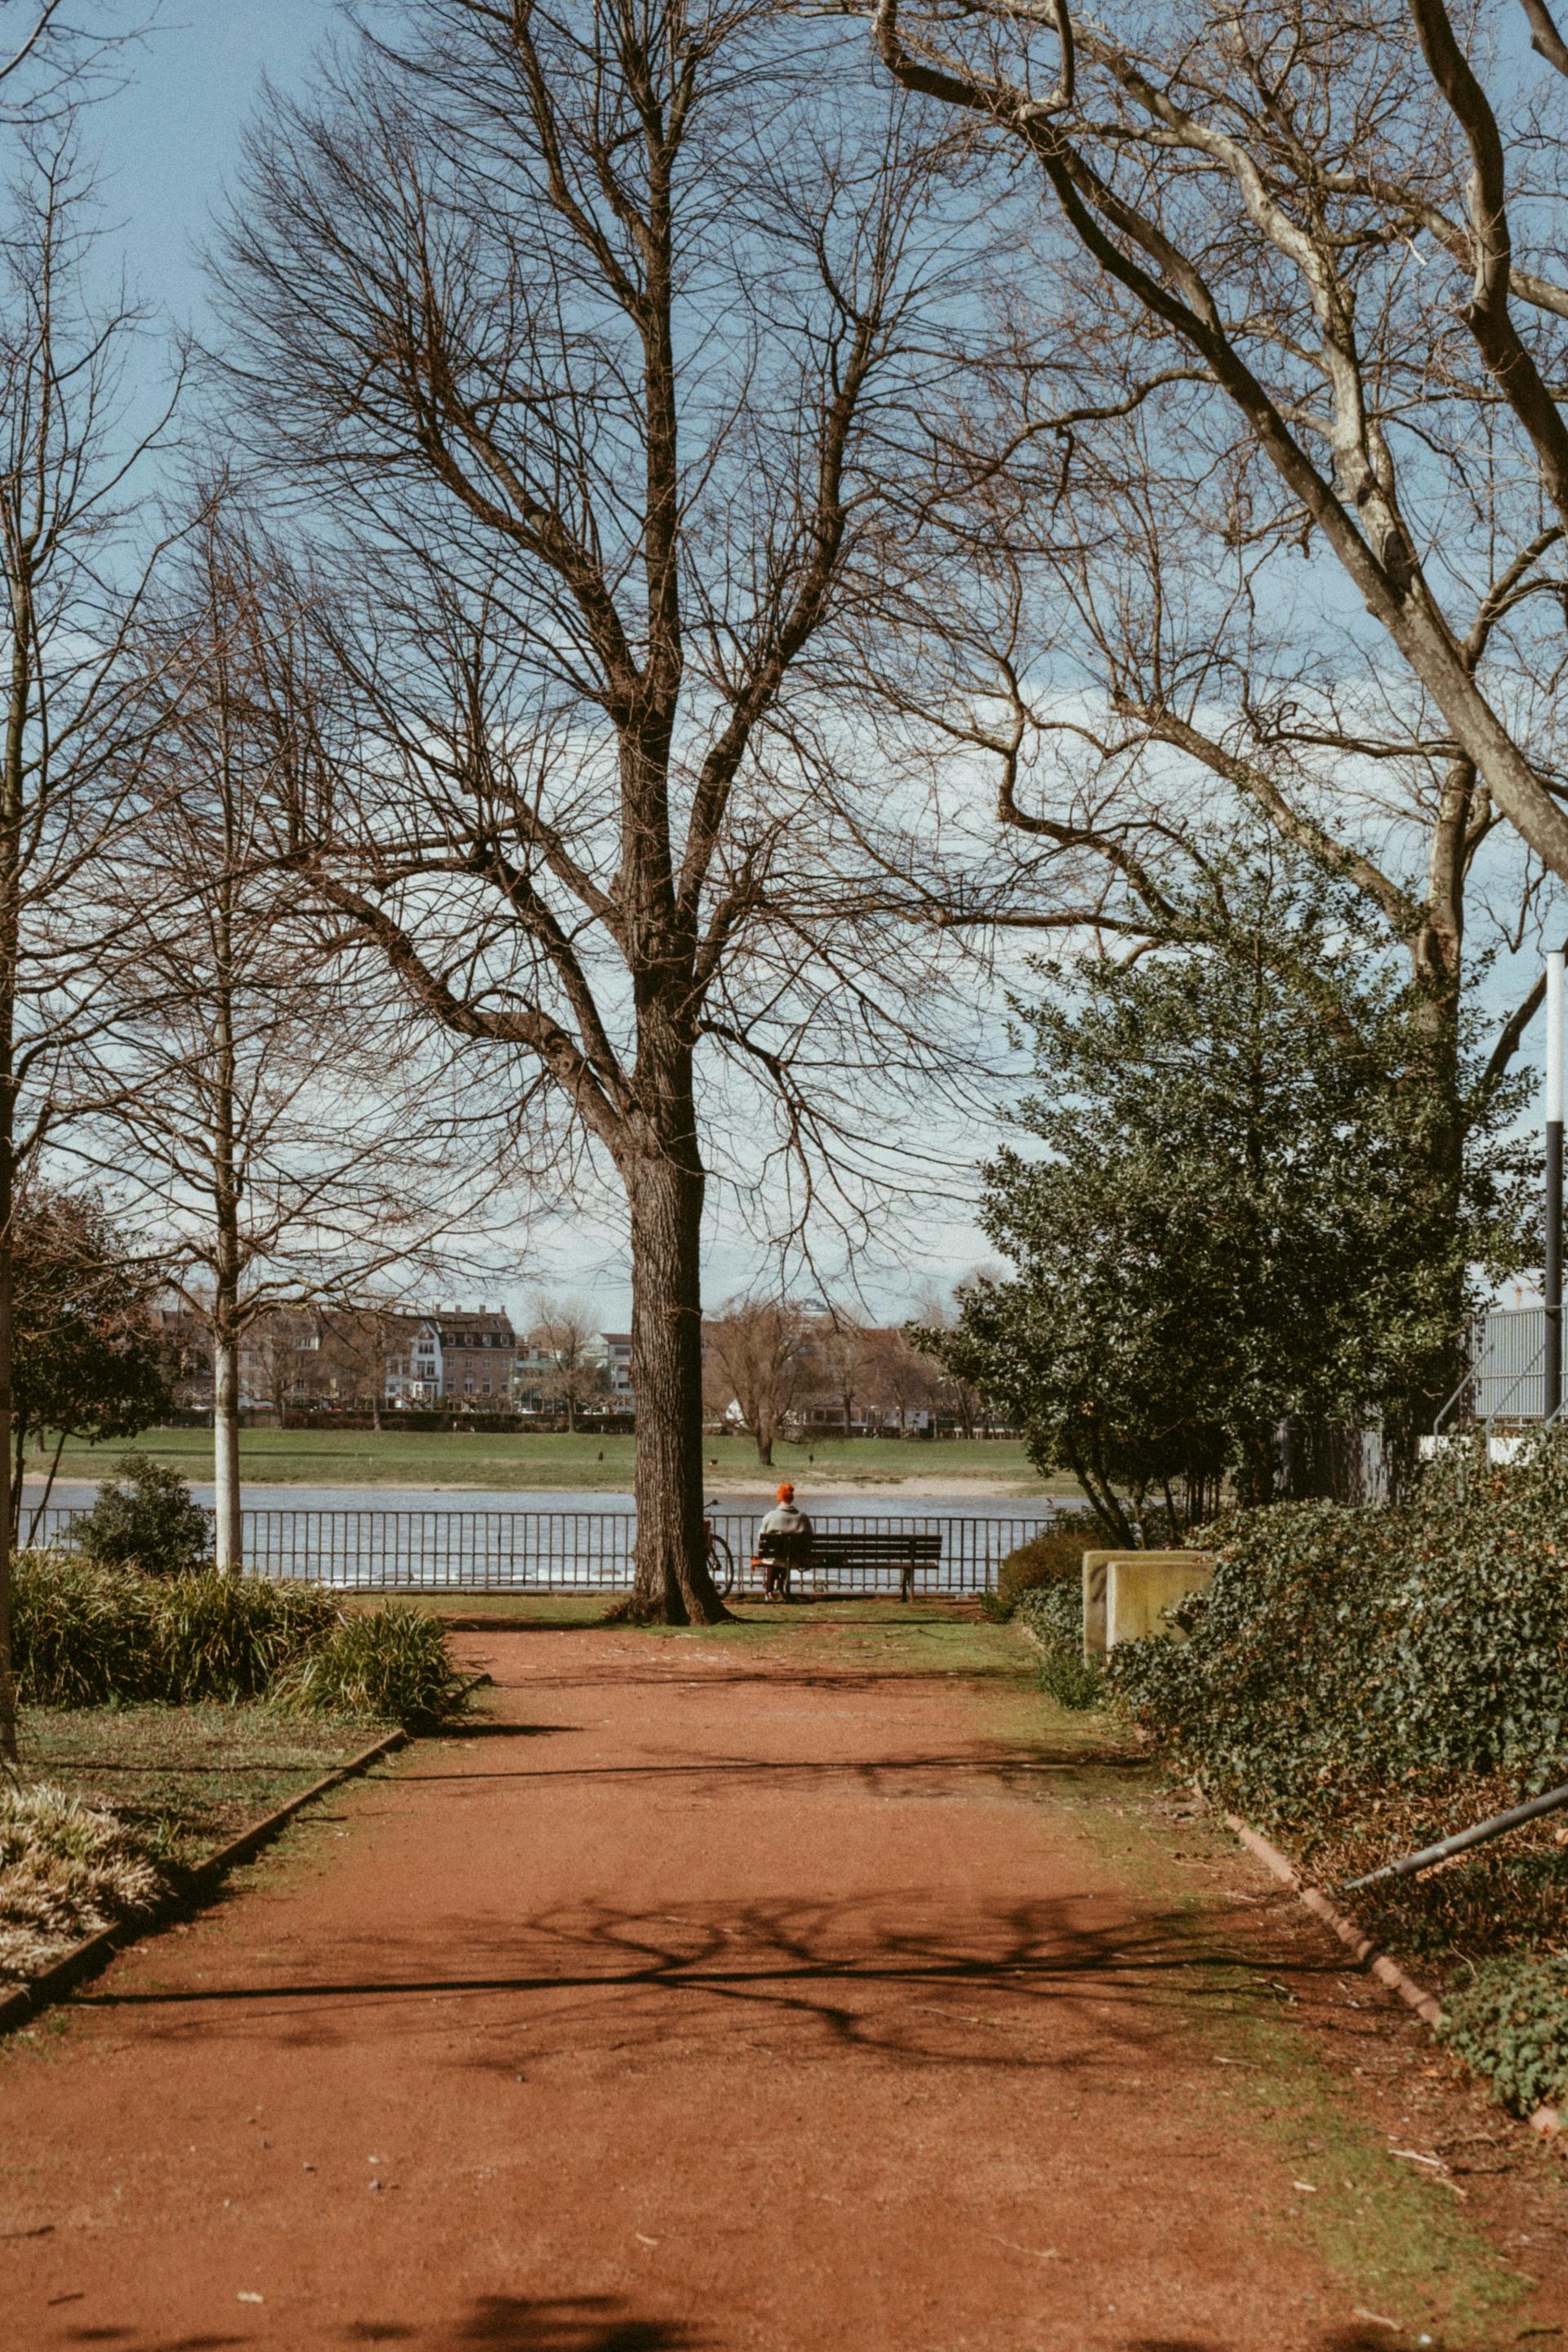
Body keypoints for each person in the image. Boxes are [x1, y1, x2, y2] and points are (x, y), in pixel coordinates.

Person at [754, 1481, 813, 1600]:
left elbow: (760, 1537)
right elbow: (810, 1537)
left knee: (774, 1556)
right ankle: (780, 1588)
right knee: (784, 1554)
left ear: (779, 1497)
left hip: (774, 1557)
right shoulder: (803, 1517)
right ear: (792, 1498)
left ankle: (769, 1591)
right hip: (796, 1557)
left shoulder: (771, 1516)